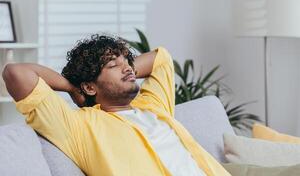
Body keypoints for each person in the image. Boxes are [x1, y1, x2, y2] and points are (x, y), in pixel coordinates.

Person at [2, 34, 230, 176]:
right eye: (113, 64)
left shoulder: (153, 105)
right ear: (90, 87)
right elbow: (16, 73)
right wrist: (74, 88)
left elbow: (162, 59)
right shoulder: (79, 127)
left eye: (127, 62)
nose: (128, 68)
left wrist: (123, 67)